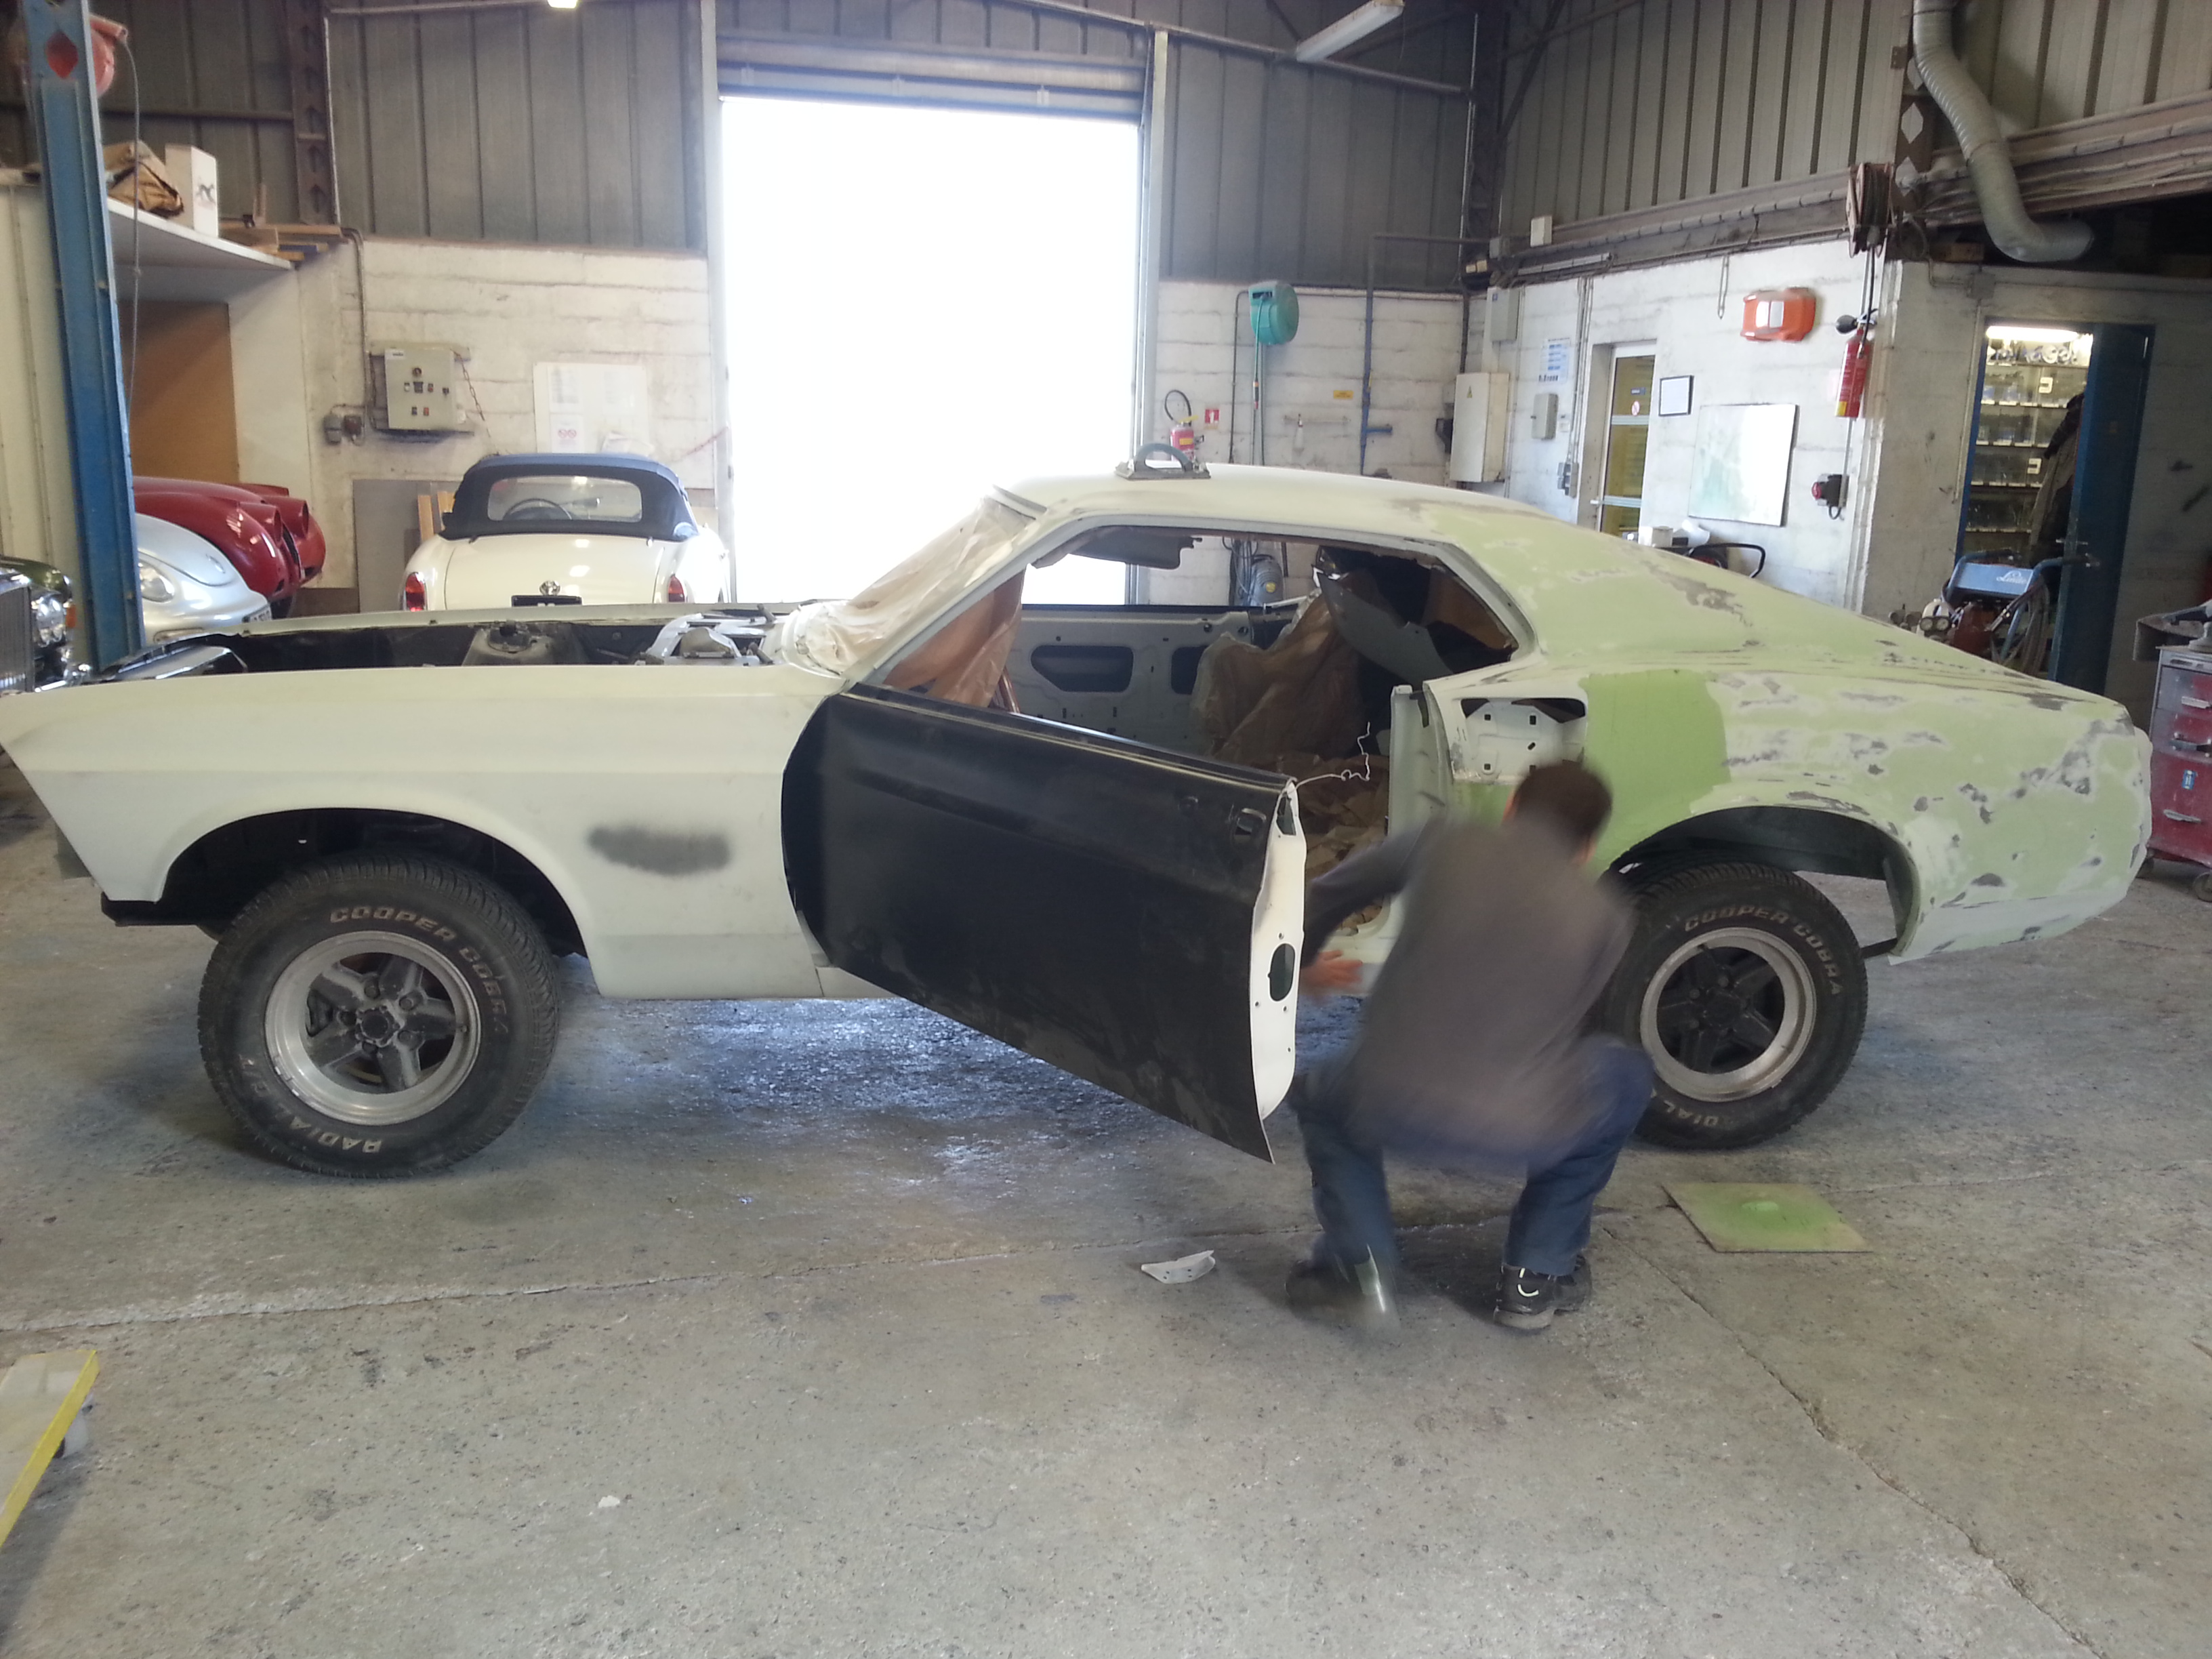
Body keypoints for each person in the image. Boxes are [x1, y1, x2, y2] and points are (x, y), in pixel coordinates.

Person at [1286, 760, 1654, 1333]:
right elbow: (1574, 1025)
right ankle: (1534, 1277)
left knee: (1315, 1093)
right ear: (1586, 848)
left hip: (1383, 1099)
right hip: (1524, 1126)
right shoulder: (1609, 914)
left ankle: (1357, 1269)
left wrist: (1304, 962)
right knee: (1626, 1075)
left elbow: (1327, 893)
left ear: (1511, 808)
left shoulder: (1442, 841)